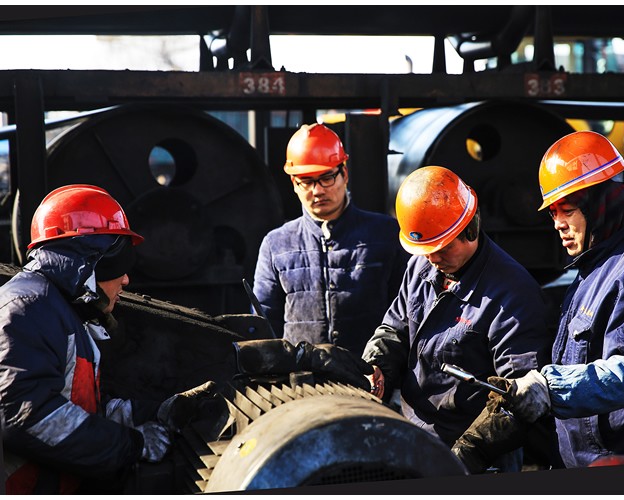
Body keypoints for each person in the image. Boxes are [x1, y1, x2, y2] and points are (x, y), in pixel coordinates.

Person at [0, 184, 373, 494]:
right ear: (83, 261)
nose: (126, 279)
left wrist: (153, 412)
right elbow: (27, 415)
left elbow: (83, 408)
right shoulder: (27, 310)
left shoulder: (63, 311)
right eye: (118, 264)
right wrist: (133, 445)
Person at [454, 130, 624, 470]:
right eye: (552, 212)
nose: (558, 224)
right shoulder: (597, 263)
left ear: (600, 204)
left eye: (567, 210)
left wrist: (550, 388)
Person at [361, 165, 552, 472]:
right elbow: (395, 328)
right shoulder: (421, 266)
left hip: (479, 458)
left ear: (470, 228)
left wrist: (469, 451)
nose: (433, 258)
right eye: (426, 249)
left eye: (443, 247)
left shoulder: (513, 295)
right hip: (415, 435)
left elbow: (517, 397)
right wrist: (377, 365)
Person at [253, 123, 409, 355]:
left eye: (326, 178)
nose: (317, 191)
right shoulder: (276, 245)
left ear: (344, 174)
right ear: (294, 184)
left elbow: (407, 314)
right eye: (307, 181)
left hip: (371, 373)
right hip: (301, 377)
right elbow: (264, 323)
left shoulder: (386, 235)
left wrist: (386, 366)